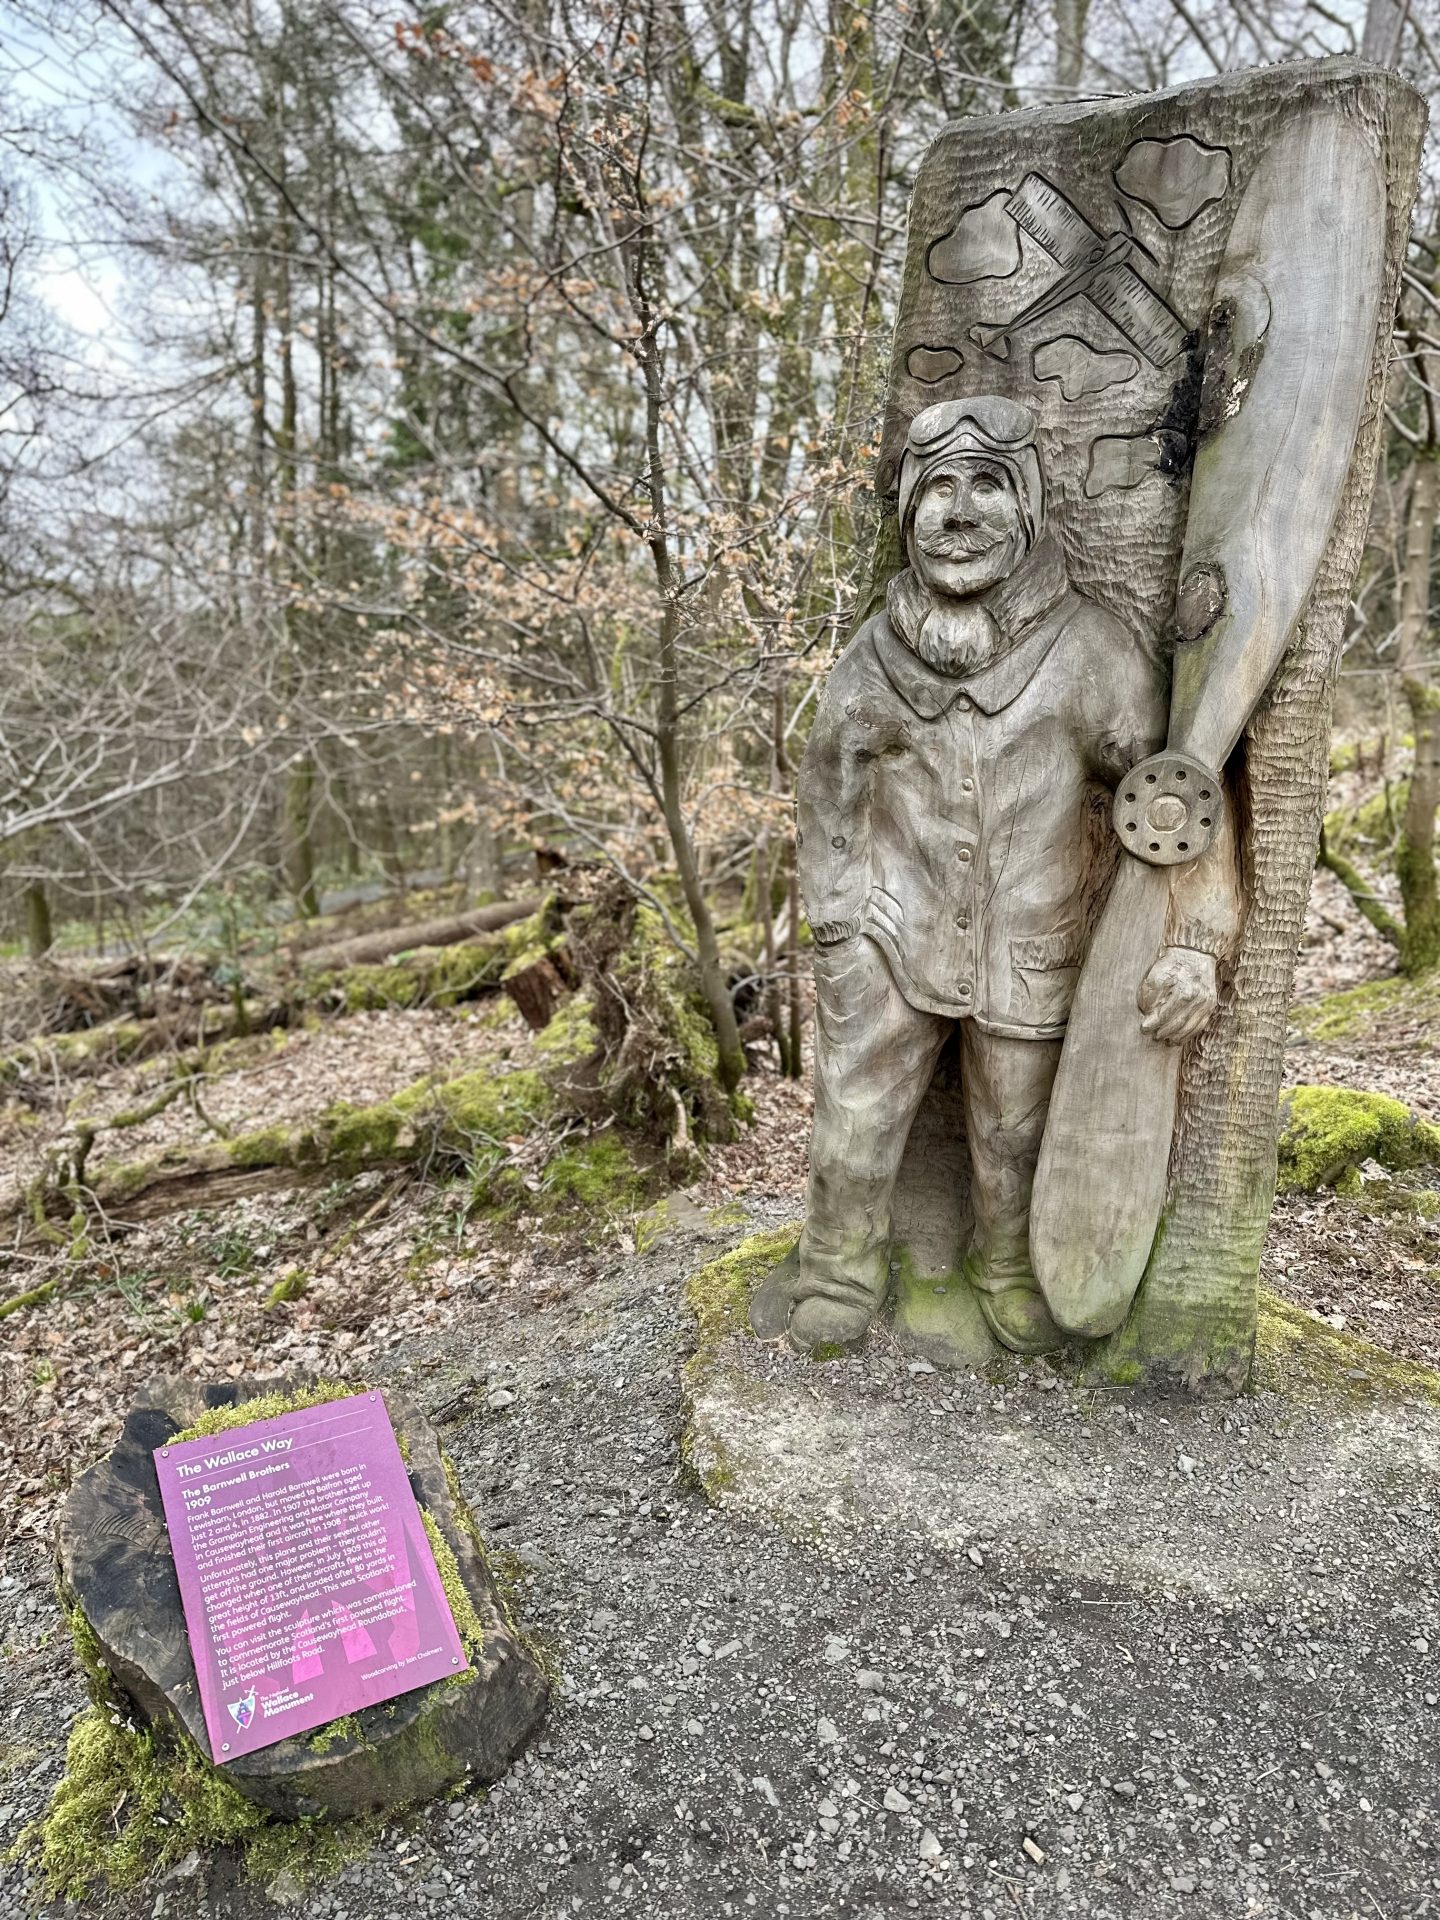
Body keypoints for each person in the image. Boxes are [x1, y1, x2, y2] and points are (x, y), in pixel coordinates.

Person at [789, 394, 1238, 1355]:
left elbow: (1177, 799)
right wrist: (834, 917)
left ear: (1029, 508)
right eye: (936, 490)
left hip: (1032, 941)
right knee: (858, 1115)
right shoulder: (875, 654)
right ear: (906, 513)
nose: (957, 514)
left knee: (1014, 1133)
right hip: (890, 927)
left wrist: (1197, 940)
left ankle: (1008, 1265)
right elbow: (830, 780)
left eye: (986, 486)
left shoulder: (1090, 653)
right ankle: (839, 1266)